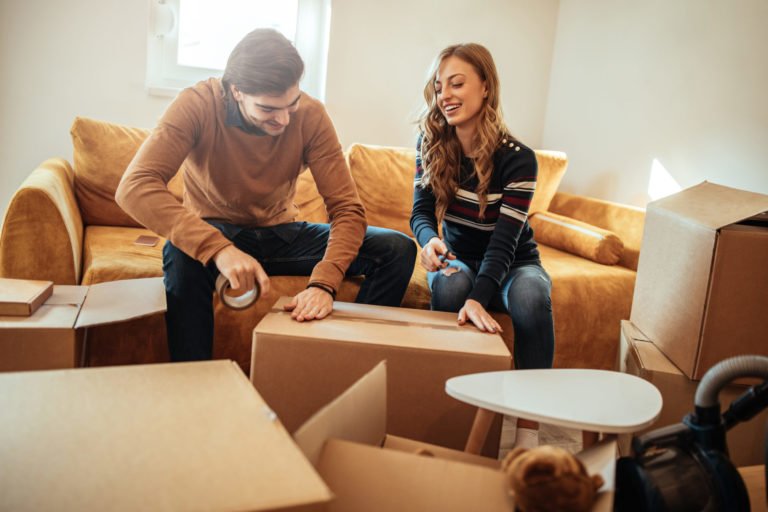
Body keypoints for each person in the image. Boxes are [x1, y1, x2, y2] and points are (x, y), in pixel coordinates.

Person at [116, 28, 415, 361]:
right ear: (237, 91)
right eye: (269, 109)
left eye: (292, 104)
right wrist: (219, 249)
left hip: (283, 234)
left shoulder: (311, 115)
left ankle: (348, 364)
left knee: (396, 248)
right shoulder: (197, 104)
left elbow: (347, 209)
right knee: (181, 253)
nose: (284, 119)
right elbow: (135, 186)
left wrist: (324, 283)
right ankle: (193, 382)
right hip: (217, 231)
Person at [410, 43, 555, 448]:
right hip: (459, 256)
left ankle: (528, 429)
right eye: (440, 87)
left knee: (529, 294)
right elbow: (420, 213)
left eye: (457, 84)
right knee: (453, 285)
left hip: (514, 261)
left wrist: (480, 297)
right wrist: (430, 240)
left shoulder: (519, 159)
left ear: (486, 87)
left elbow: (506, 243)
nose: (446, 96)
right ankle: (451, 414)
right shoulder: (430, 144)